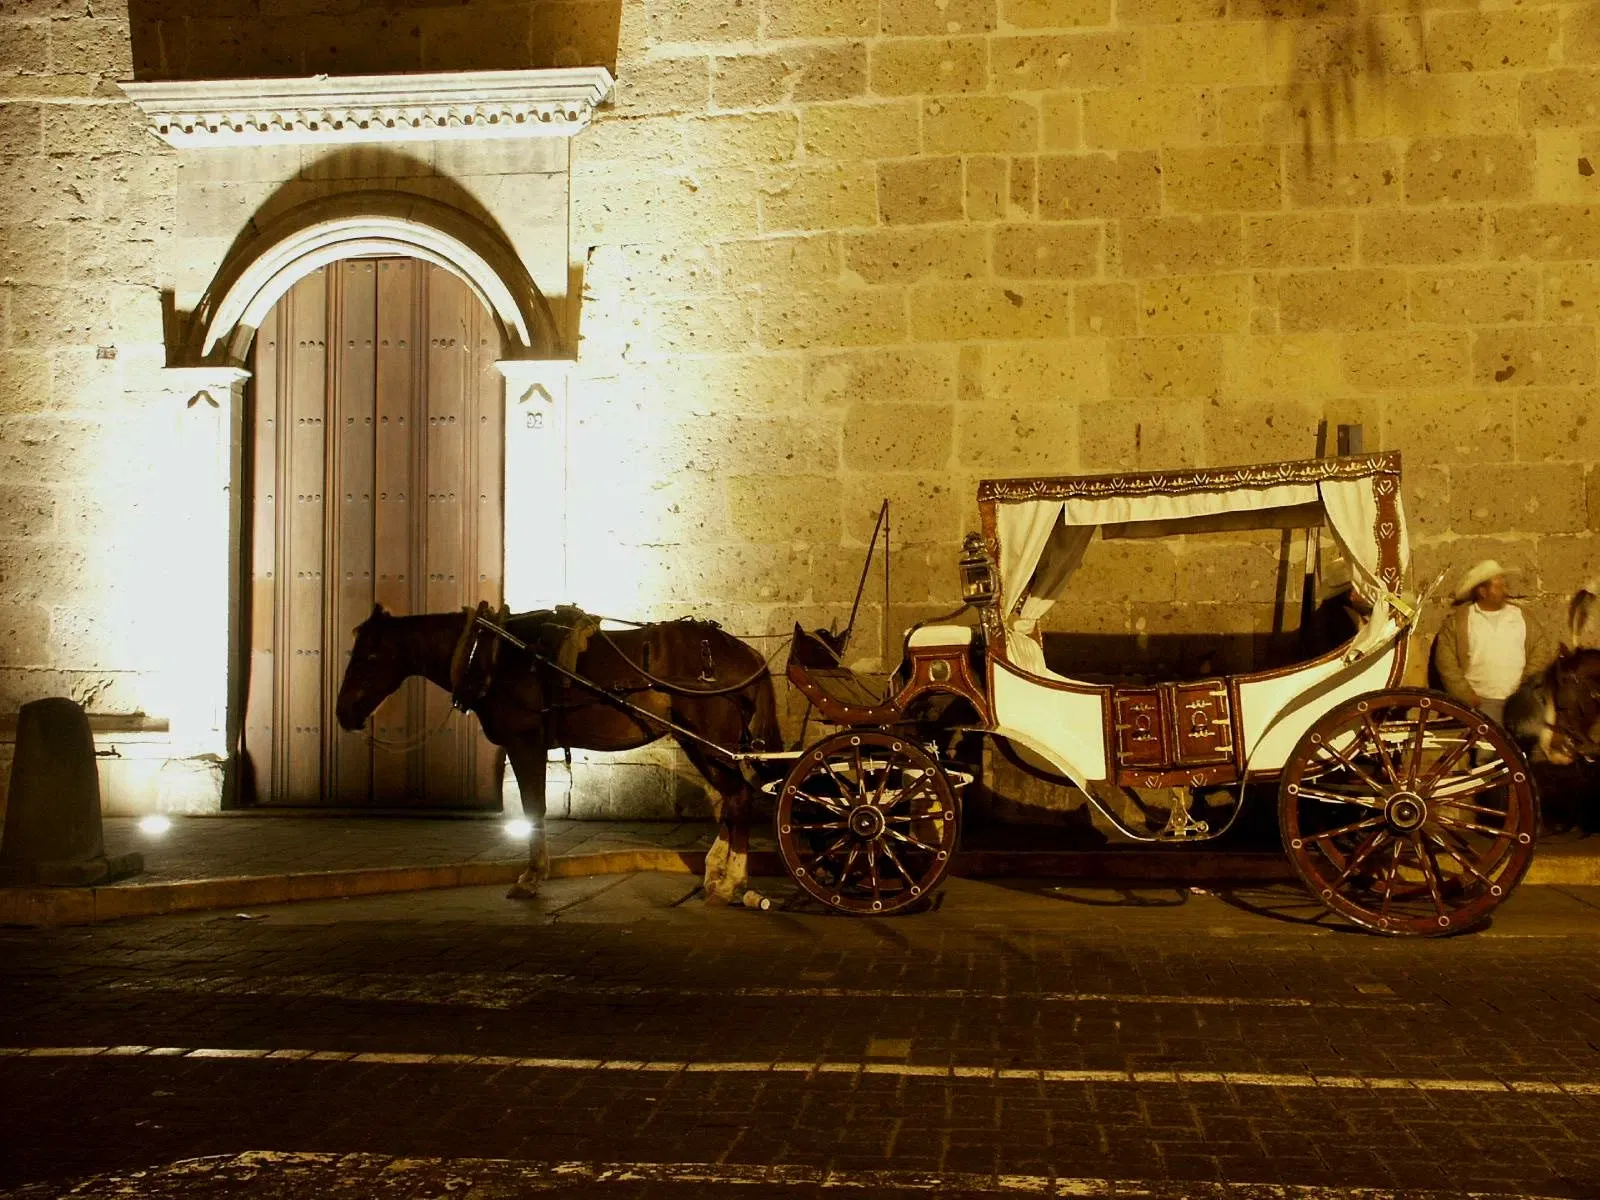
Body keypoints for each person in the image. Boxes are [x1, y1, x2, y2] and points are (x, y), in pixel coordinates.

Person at [1430, 560, 1550, 726]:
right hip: (1482, 704)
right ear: (1482, 591)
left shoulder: (1521, 616)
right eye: (1498, 586)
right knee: (1486, 751)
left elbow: (1540, 648)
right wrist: (1465, 695)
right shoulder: (1459, 622)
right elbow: (1446, 662)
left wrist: (1526, 686)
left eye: (1504, 585)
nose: (1504, 590)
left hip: (1520, 703)